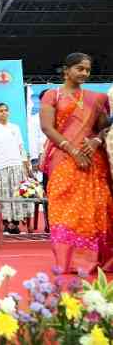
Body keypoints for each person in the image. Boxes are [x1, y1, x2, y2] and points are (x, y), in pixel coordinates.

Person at [39, 52, 113, 274]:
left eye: (88, 70)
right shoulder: (52, 95)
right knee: (64, 208)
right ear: (66, 70)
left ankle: (96, 259)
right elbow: (47, 127)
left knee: (96, 207)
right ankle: (67, 261)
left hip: (93, 160)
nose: (84, 73)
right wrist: (72, 150)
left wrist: (97, 140)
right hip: (64, 159)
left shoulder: (97, 98)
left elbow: (103, 126)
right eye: (79, 68)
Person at [0, 103, 33, 234]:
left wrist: (25, 165)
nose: (4, 113)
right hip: (0, 166)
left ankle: (15, 224)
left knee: (17, 195)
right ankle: (6, 224)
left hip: (16, 166)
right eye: (1, 111)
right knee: (4, 196)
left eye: (6, 110)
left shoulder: (15, 128)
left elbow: (21, 147)